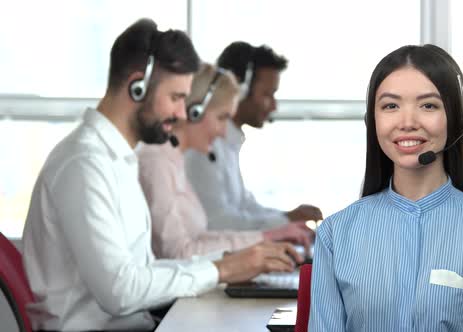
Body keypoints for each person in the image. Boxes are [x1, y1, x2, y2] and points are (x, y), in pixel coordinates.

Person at [21, 19, 302, 332]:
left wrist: (230, 262)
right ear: (137, 87)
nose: (183, 114)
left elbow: (142, 271)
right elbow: (120, 291)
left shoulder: (119, 160)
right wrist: (221, 269)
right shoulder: (84, 165)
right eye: (176, 98)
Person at [308, 45, 463, 331]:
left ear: (457, 120)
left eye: (428, 105)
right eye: (390, 106)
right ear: (373, 120)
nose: (407, 123)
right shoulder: (335, 234)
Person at [137, 63, 313, 260]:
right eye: (222, 118)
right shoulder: (157, 162)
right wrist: (259, 245)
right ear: (194, 112)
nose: (223, 132)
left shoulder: (173, 160)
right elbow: (178, 252)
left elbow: (199, 239)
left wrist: (266, 238)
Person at [184, 41, 323, 231]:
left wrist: (288, 218)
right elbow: (218, 223)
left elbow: (245, 206)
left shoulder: (229, 144)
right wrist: (285, 222)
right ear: (240, 90)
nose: (273, 106)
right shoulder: (204, 148)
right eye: (267, 94)